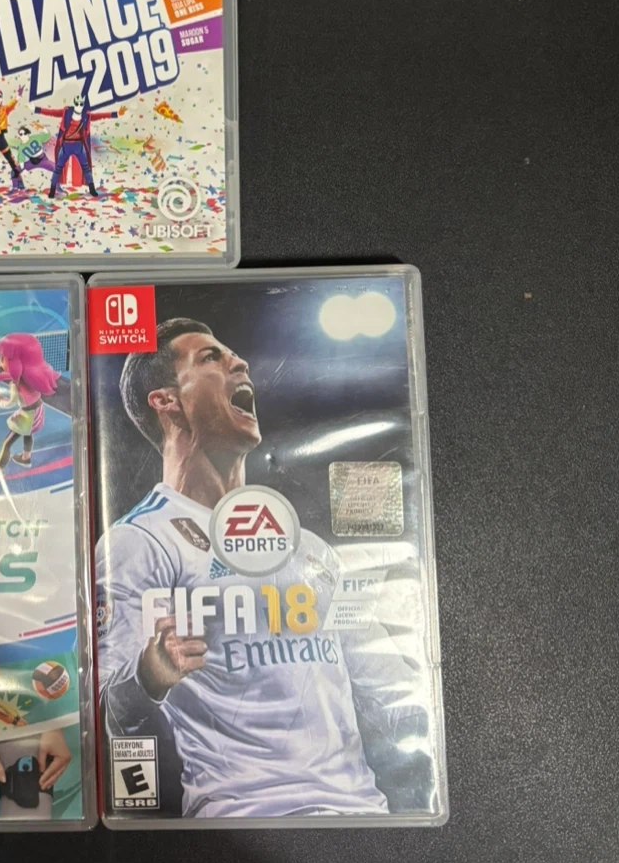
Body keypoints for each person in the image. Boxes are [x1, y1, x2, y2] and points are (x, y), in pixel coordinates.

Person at [95, 316, 429, 819]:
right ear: (166, 400)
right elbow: (103, 708)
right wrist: (148, 676)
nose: (241, 362)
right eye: (211, 357)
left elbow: (394, 688)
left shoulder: (309, 547)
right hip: (243, 819)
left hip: (361, 816)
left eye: (232, 352)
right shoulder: (139, 541)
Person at [0, 333, 59, 469]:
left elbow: (10, 403)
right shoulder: (31, 374)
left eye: (2, 358)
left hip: (27, 416)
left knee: (7, 443)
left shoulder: (15, 385)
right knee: (28, 433)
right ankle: (26, 458)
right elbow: (5, 375)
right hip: (38, 409)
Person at [34, 92, 125, 198]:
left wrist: (116, 114)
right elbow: (52, 112)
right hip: (66, 146)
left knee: (86, 168)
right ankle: (52, 191)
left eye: (81, 104)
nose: (79, 106)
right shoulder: (66, 111)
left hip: (79, 146)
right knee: (58, 168)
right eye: (77, 103)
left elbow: (100, 116)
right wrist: (36, 109)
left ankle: (92, 189)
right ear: (74, 103)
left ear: (83, 104)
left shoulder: (86, 115)